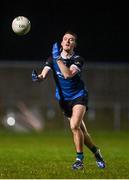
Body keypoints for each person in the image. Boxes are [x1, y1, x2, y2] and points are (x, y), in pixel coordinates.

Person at [32, 31, 105, 170]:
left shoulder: (78, 59)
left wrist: (58, 59)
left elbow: (68, 75)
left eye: (71, 40)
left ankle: (79, 160)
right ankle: (96, 152)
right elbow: (43, 74)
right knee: (82, 132)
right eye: (65, 39)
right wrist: (38, 78)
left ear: (74, 44)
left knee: (74, 126)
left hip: (78, 96)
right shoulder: (52, 59)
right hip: (64, 100)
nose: (67, 41)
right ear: (61, 42)